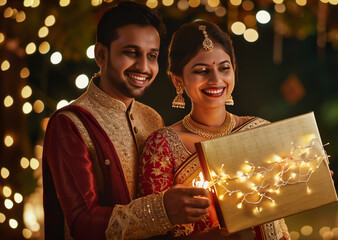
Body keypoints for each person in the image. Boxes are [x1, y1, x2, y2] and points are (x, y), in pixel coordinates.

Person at [42, 2, 211, 239]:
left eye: (152, 56)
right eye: (131, 53)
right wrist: (162, 210)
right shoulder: (70, 123)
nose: (144, 66)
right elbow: (81, 222)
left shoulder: (152, 118)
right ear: (101, 54)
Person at [138, 20, 290, 240]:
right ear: (177, 79)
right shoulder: (163, 146)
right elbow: (152, 233)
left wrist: (311, 176)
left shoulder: (258, 130)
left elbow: (280, 211)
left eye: (224, 68)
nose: (216, 80)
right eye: (202, 71)